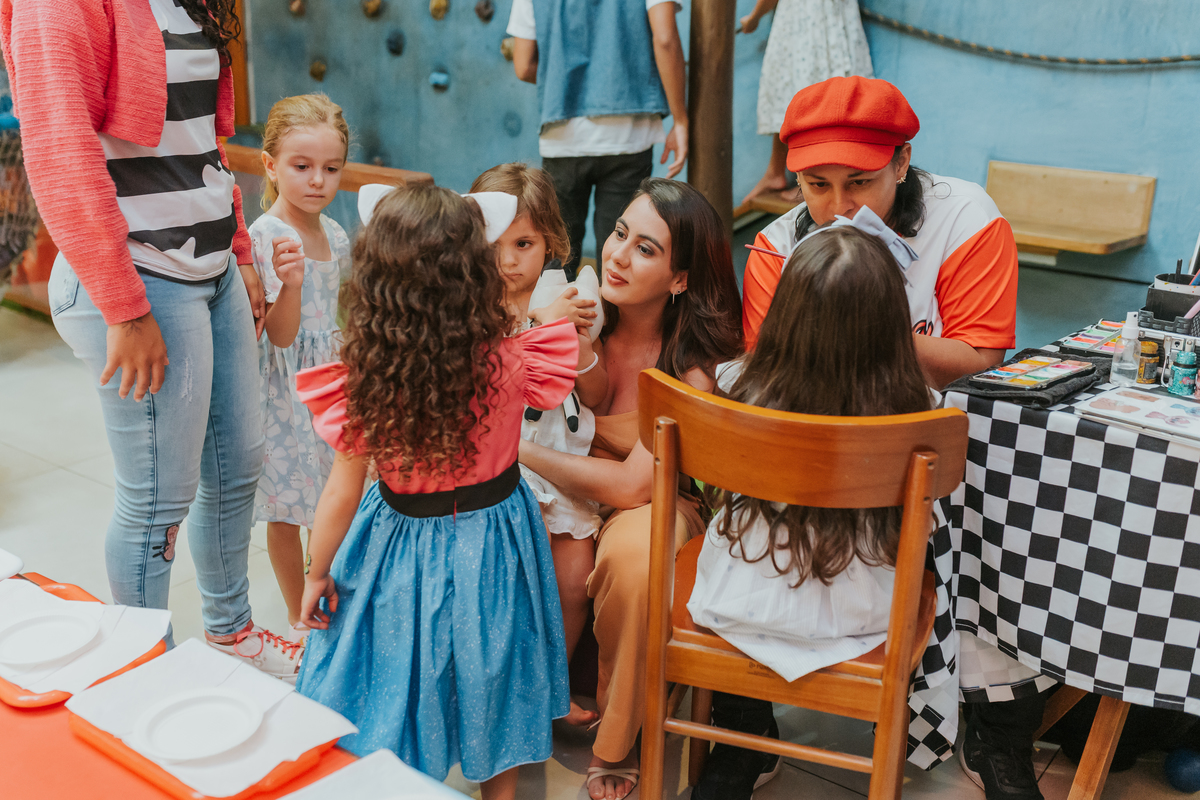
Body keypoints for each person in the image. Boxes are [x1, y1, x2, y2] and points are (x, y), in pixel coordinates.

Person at [3, 0, 300, 678]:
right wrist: (124, 308)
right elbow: (58, 149)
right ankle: (145, 673)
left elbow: (204, 143)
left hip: (212, 265)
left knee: (236, 467)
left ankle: (231, 634)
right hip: (138, 275)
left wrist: (243, 252)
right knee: (158, 498)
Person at [293, 184, 578, 800]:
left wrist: (318, 572)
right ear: (477, 272)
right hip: (497, 541)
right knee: (493, 673)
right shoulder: (515, 360)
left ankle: (401, 783)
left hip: (394, 547)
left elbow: (342, 492)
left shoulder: (367, 380)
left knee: (397, 673)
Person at [686, 217, 937, 800]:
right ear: (891, 324)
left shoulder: (734, 391)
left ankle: (741, 735)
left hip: (735, 602)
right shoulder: (921, 413)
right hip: (863, 611)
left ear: (785, 315)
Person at [519, 178, 743, 799]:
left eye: (646, 249)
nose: (617, 254)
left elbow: (630, 485)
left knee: (637, 559)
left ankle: (617, 742)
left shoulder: (692, 367)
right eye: (619, 233)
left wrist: (513, 452)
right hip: (559, 470)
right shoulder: (581, 306)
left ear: (680, 279)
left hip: (654, 496)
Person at [741, 76, 1019, 389]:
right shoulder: (775, 247)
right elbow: (765, 373)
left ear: (901, 163)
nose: (839, 206)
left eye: (859, 182)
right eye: (817, 184)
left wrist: (865, 330)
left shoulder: (966, 220)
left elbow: (980, 365)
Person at [471, 163, 606, 728]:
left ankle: (549, 688)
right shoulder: (469, 301)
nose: (508, 260)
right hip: (501, 466)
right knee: (510, 585)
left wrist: (578, 341)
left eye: (523, 243)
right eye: (495, 244)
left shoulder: (565, 292)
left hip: (561, 458)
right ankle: (504, 694)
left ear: (549, 241)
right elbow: (485, 372)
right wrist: (538, 323)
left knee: (574, 580)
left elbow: (592, 389)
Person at [249, 94, 351, 642]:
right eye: (302, 167)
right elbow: (282, 335)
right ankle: (298, 617)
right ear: (270, 165)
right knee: (288, 507)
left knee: (335, 491)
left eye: (331, 169)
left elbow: (335, 313)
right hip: (288, 390)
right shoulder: (265, 237)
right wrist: (288, 283)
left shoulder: (334, 234)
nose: (318, 181)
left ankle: (329, 591)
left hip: (331, 378)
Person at [506, 0, 688, 279]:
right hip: (629, 135)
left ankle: (557, 322)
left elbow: (523, 65)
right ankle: (613, 322)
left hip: (563, 135)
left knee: (557, 258)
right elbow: (665, 39)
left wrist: (564, 81)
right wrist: (680, 119)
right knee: (620, 257)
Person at [737, 0, 872, 206]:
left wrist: (754, 18)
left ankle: (813, 177)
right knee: (803, 89)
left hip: (806, 19)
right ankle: (778, 172)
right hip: (834, 18)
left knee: (799, 90)